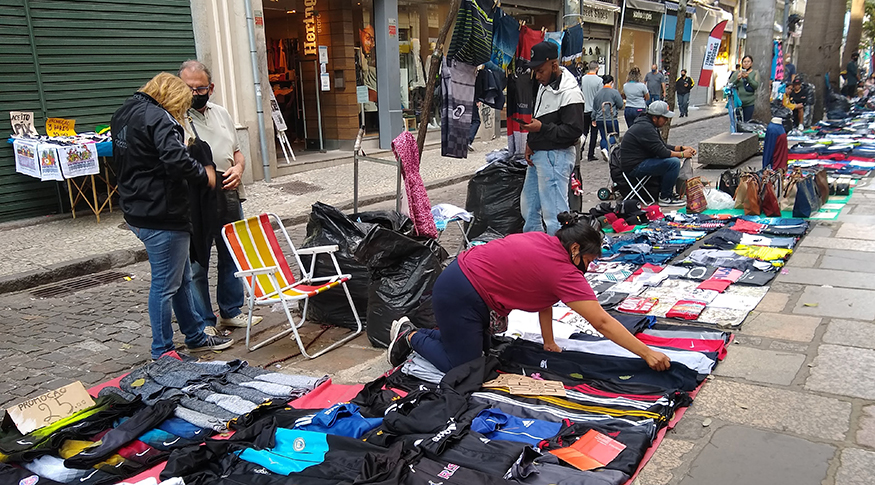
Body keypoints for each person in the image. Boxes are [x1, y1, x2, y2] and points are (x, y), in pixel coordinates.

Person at [385, 212, 672, 373]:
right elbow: (602, 322)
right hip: (460, 292)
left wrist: (549, 341)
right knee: (465, 368)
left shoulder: (546, 242)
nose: (591, 265)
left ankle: (428, 334)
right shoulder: (562, 270)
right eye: (590, 259)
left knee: (483, 351)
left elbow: (544, 297)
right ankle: (410, 336)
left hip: (465, 284)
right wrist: (646, 354)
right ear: (575, 249)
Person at [112, 73, 234, 360]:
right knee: (165, 284)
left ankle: (194, 335)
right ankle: (163, 350)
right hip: (162, 212)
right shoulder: (160, 118)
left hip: (137, 209)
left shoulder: (124, 112)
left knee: (178, 279)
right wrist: (205, 175)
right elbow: (176, 160)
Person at [178, 60, 264, 334]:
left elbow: (237, 152)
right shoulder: (175, 118)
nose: (194, 93)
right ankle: (203, 321)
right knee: (197, 262)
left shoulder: (222, 113)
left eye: (199, 87)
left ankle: (231, 310)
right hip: (197, 198)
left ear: (210, 88)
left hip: (228, 192)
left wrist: (239, 169)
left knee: (232, 255)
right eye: (187, 87)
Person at [519, 41, 586, 236]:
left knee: (555, 213)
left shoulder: (570, 92)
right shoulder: (544, 86)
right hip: (540, 154)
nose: (537, 76)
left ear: (554, 66)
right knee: (529, 208)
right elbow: (539, 116)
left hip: (556, 155)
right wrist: (531, 143)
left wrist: (541, 128)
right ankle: (535, 247)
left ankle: (558, 254)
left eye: (540, 71)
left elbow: (573, 131)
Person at [620, 100, 695, 207]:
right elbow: (663, 152)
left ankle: (666, 193)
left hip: (641, 161)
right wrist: (682, 154)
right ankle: (665, 197)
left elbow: (662, 145)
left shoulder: (649, 125)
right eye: (664, 118)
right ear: (655, 118)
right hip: (634, 166)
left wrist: (681, 148)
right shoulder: (645, 128)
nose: (667, 120)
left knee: (672, 161)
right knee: (673, 163)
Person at [592, 74, 624, 161]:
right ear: (611, 82)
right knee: (615, 134)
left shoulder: (598, 93)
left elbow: (594, 107)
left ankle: (604, 149)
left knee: (603, 136)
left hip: (599, 118)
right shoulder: (614, 92)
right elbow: (620, 104)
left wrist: (593, 118)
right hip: (611, 118)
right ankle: (607, 148)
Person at [579, 61, 603, 161]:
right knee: (594, 133)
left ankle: (580, 151)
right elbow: (600, 96)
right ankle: (590, 154)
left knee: (583, 132)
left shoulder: (582, 79)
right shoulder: (599, 81)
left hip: (583, 109)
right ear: (597, 68)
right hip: (594, 110)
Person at [727, 55, 760, 122]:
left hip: (749, 103)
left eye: (748, 61)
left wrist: (747, 78)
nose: (746, 63)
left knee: (747, 122)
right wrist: (737, 79)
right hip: (738, 103)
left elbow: (755, 86)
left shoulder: (755, 73)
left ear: (751, 63)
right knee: (738, 123)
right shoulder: (737, 73)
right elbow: (730, 85)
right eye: (744, 61)